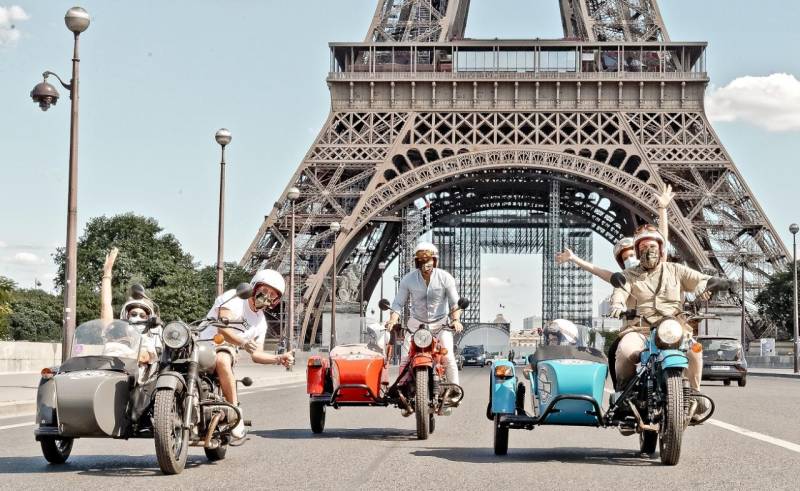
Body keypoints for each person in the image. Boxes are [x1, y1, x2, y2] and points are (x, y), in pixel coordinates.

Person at [608, 228, 709, 415]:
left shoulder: (676, 270)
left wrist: (706, 286)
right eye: (643, 247)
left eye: (653, 246)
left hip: (673, 328)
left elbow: (701, 280)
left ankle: (694, 394)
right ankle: (624, 395)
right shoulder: (628, 275)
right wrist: (618, 304)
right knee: (625, 351)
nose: (649, 251)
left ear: (661, 249)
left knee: (695, 351)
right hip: (640, 329)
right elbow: (620, 291)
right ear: (637, 251)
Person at [201, 269, 294, 439]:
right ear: (254, 287)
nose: (267, 296)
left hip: (222, 347)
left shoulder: (261, 323)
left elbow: (257, 354)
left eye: (272, 295)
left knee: (222, 359)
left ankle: (235, 412)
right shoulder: (234, 298)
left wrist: (278, 358)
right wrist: (243, 342)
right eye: (264, 290)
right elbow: (222, 328)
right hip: (202, 343)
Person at [385, 242, 464, 396]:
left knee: (448, 357)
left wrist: (456, 320)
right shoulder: (408, 280)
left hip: (441, 325)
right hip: (416, 326)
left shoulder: (445, 278)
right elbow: (398, 303)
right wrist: (392, 320)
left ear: (435, 261)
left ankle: (454, 389)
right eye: (421, 260)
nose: (425, 263)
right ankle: (402, 388)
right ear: (417, 262)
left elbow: (455, 303)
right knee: (405, 358)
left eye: (428, 260)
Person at [556, 184, 674, 282]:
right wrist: (573, 258)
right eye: (625, 258)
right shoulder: (626, 279)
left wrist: (662, 208)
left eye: (631, 256)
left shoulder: (658, 267)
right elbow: (598, 271)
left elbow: (662, 238)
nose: (629, 260)